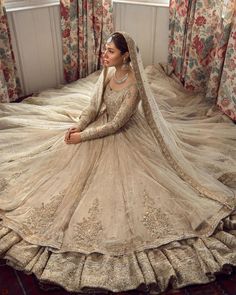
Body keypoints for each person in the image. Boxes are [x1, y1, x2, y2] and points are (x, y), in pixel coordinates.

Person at [0, 31, 235, 294]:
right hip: (101, 124)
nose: (104, 54)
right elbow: (92, 106)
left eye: (110, 51)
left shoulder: (134, 87)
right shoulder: (109, 73)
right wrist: (78, 125)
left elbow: (115, 124)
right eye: (105, 49)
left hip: (123, 133)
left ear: (125, 56)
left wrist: (83, 137)